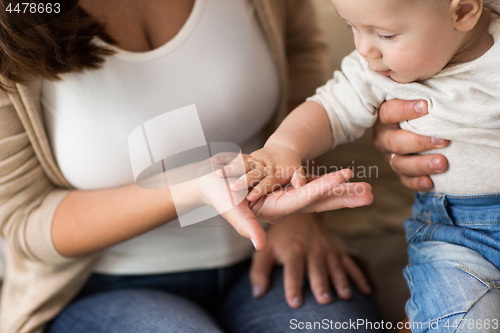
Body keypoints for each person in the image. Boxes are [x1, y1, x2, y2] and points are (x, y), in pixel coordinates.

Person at [0, 0, 436, 332]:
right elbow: (23, 221)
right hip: (107, 285)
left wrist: (295, 210)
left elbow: (302, 62)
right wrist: (192, 186)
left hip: (270, 255)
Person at [227, 0, 500, 331]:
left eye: (385, 34)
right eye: (352, 27)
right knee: (463, 323)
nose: (364, 49)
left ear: (463, 11)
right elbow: (330, 109)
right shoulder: (375, 70)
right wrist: (284, 148)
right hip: (453, 236)